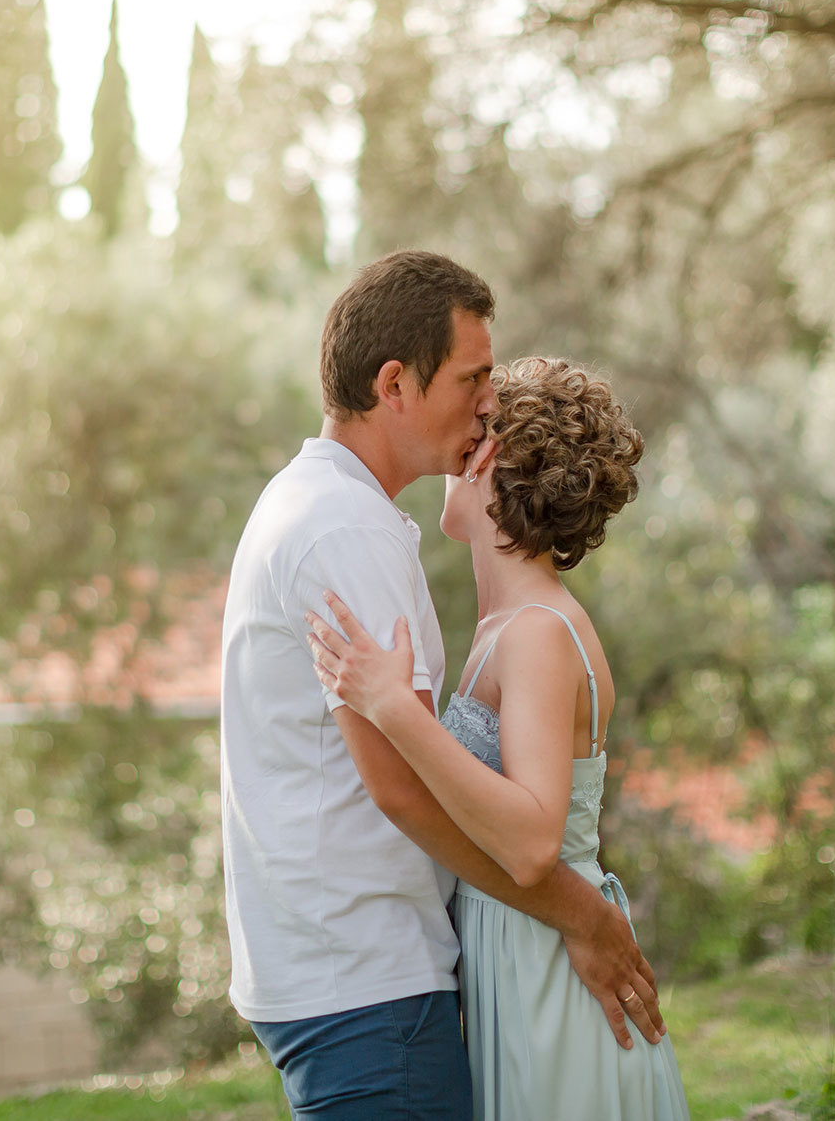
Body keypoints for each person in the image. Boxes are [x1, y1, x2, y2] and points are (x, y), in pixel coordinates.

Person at [220, 251, 664, 1121]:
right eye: (471, 378)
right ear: (394, 383)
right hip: (366, 974)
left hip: (375, 969)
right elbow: (404, 788)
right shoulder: (346, 529)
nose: (486, 403)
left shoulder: (328, 509)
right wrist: (582, 915)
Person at [307, 355, 690, 1120]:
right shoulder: (506, 626)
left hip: (550, 968)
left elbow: (533, 840)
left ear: (495, 457)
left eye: (478, 426)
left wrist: (393, 707)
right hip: (515, 949)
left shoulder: (539, 630)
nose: (457, 445)